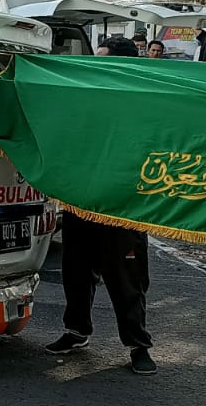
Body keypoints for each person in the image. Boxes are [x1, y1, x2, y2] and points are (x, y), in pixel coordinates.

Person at [45, 35, 156, 375]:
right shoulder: (89, 94)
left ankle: (138, 345)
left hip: (122, 206)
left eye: (104, 58)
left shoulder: (143, 99)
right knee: (75, 273)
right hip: (82, 201)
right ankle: (76, 331)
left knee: (126, 279)